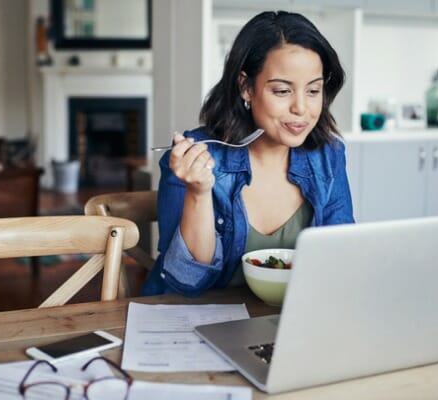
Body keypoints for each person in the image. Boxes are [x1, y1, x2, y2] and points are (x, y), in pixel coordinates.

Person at [142, 10, 354, 297]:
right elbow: (187, 282)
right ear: (246, 87)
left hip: (284, 323)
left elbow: (341, 260)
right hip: (196, 323)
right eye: (282, 91)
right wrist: (198, 193)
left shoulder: (328, 157)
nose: (301, 108)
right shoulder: (196, 158)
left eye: (314, 90)